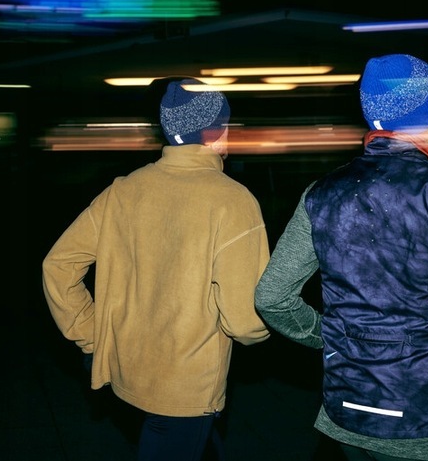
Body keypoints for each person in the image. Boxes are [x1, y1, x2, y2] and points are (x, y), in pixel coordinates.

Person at [254, 54, 428, 461]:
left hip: (346, 406)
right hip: (423, 413)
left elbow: (272, 298)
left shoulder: (321, 193)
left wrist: (330, 337)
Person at [42, 77, 271, 461]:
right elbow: (244, 321)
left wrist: (93, 336)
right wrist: (268, 330)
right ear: (214, 131)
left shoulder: (122, 191)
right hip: (186, 387)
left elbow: (59, 265)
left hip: (126, 373)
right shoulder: (233, 201)